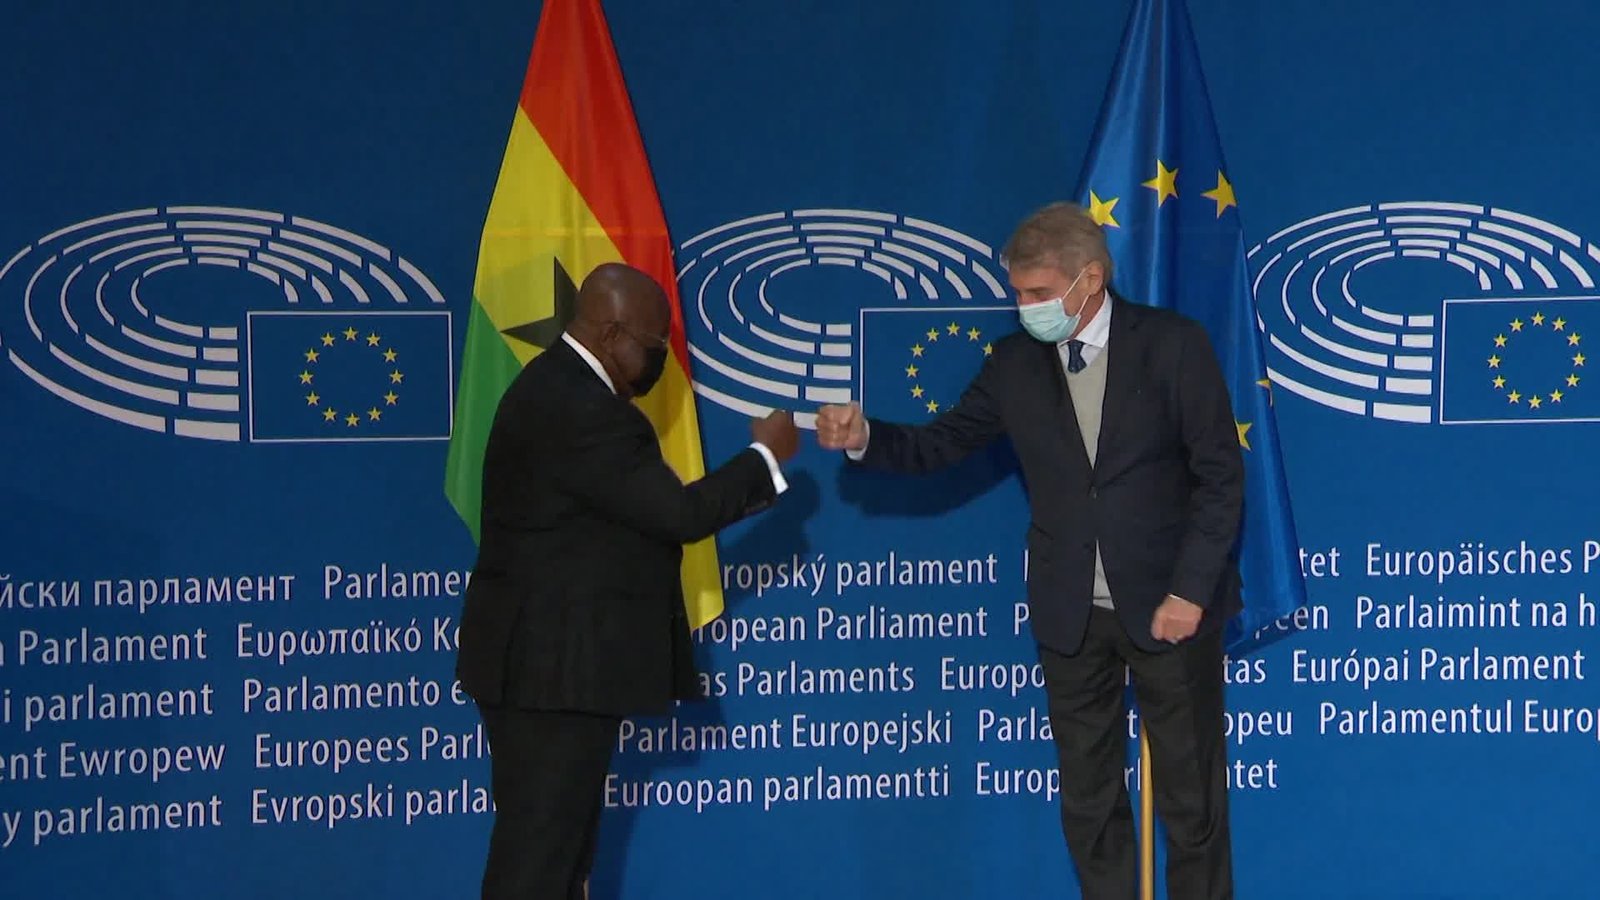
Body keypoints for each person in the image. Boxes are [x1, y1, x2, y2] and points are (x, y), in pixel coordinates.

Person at [817, 202, 1242, 900]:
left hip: (1172, 608)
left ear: (1092, 279)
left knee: (1192, 805)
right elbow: (943, 442)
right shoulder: (1014, 364)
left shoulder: (1173, 345)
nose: (1025, 307)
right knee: (1088, 802)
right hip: (1070, 615)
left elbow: (1222, 478)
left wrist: (1190, 592)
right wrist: (866, 435)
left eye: (1039, 294)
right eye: (1017, 293)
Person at [456, 262, 799, 900]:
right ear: (613, 334)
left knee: (558, 856)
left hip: (546, 669)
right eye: (655, 345)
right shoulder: (584, 408)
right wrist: (766, 456)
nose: (659, 360)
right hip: (553, 674)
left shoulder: (557, 387)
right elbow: (680, 515)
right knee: (538, 861)